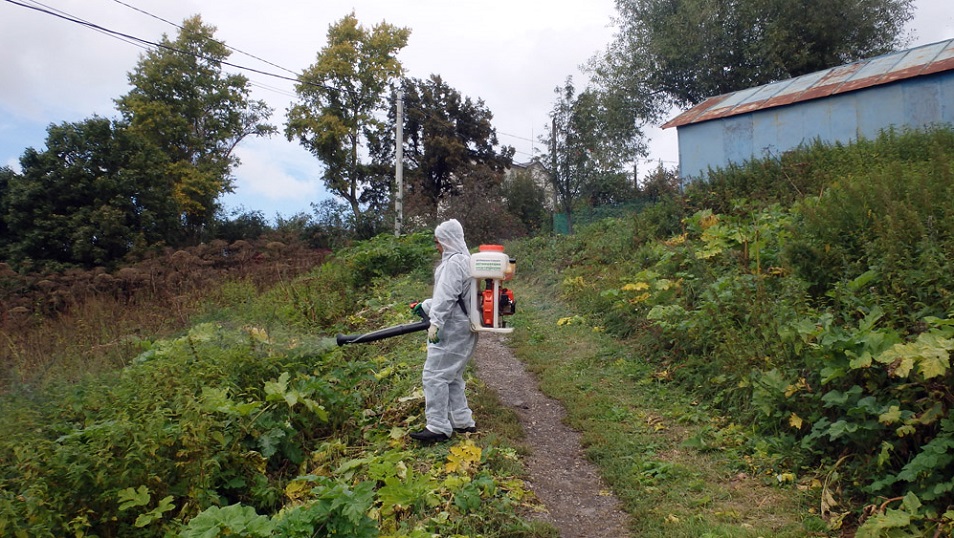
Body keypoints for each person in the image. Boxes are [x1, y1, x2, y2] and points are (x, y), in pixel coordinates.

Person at [410, 219, 479, 443]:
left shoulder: (453, 264)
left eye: (438, 242)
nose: (437, 246)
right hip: (463, 327)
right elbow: (451, 295)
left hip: (453, 329)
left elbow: (447, 297)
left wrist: (435, 322)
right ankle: (462, 422)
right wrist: (425, 306)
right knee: (452, 376)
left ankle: (438, 427)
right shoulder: (464, 261)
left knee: (434, 375)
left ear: (447, 241)